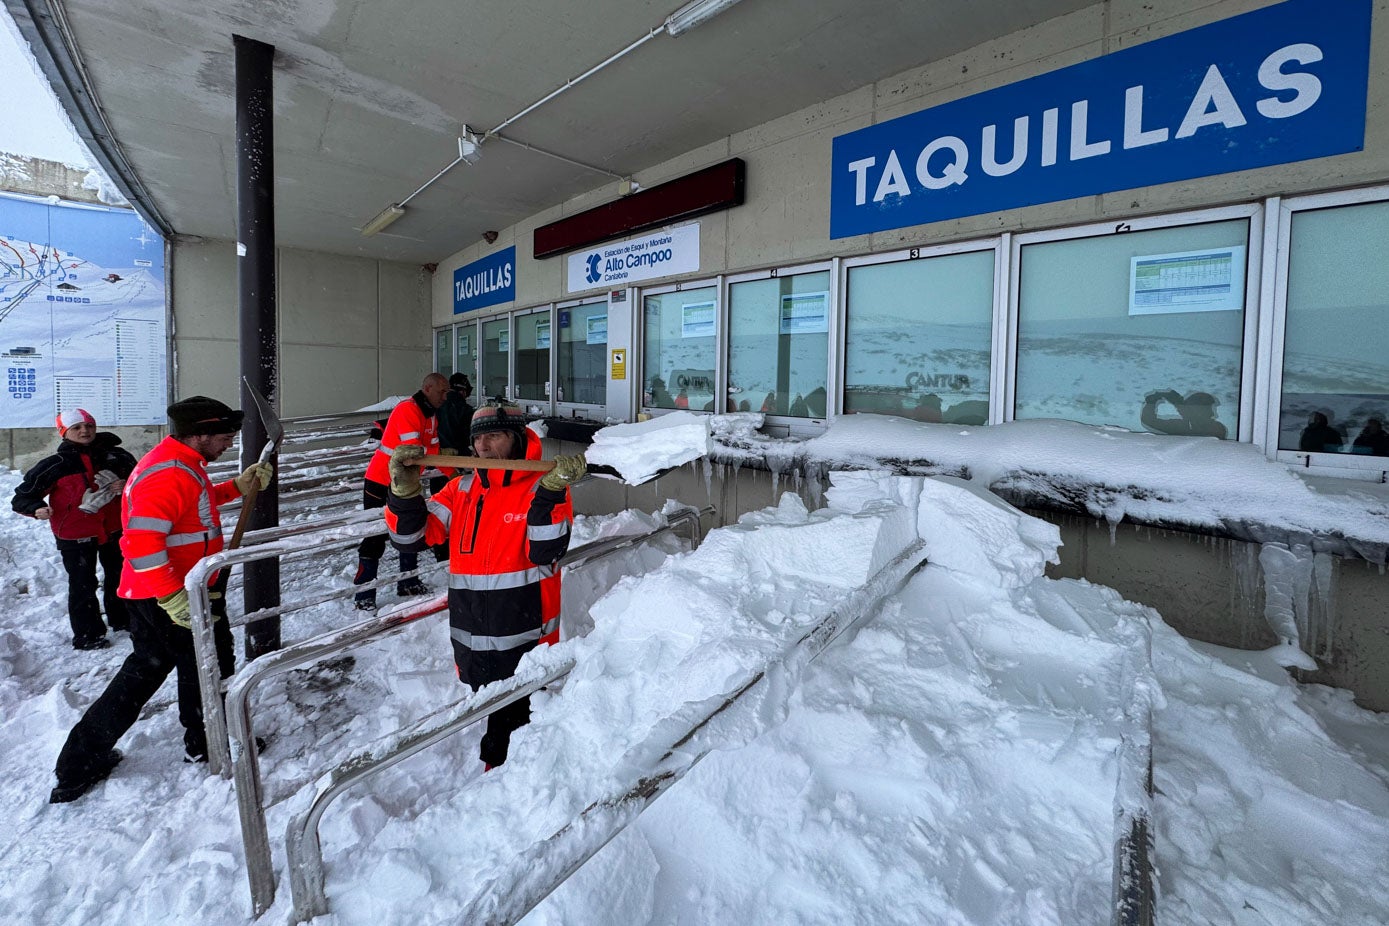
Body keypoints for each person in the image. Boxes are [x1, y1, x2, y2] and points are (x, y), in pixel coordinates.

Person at [48, 396, 273, 802]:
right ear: (200, 434)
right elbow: (141, 541)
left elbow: (192, 510)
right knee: (209, 666)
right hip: (170, 593)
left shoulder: (182, 463)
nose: (227, 445)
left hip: (170, 590)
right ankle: (209, 743)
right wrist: (174, 597)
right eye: (224, 437)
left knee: (153, 669)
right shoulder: (168, 471)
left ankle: (80, 761)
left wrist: (234, 488)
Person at [385, 404, 586, 769]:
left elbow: (546, 550)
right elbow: (411, 537)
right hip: (471, 629)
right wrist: (404, 490)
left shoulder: (543, 486)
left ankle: (511, 777)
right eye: (478, 438)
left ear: (517, 440)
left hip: (525, 629)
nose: (484, 446)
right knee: (493, 703)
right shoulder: (460, 489)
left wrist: (551, 496)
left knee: (521, 712)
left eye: (494, 436)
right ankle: (501, 770)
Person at [12, 408, 136, 650]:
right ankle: (88, 635)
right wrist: (36, 508)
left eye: (89, 425)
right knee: (82, 583)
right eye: (76, 427)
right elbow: (22, 496)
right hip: (75, 533)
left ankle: (123, 618)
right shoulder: (55, 464)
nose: (84, 431)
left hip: (114, 528)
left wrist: (126, 484)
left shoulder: (117, 456)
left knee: (120, 575)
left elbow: (142, 479)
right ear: (63, 432)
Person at [353, 373, 451, 610]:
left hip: (408, 482)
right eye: (442, 392)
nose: (445, 397)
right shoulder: (408, 410)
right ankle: (364, 594)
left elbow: (433, 450)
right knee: (375, 535)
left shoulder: (430, 415)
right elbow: (415, 451)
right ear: (427, 388)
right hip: (381, 481)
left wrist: (454, 473)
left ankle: (408, 581)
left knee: (411, 527)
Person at [1140, 389, 1227, 439]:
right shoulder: (1181, 426)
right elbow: (1150, 421)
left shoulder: (1216, 429)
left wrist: (1152, 402)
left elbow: (1197, 424)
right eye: (1208, 409)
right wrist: (1179, 404)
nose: (1213, 414)